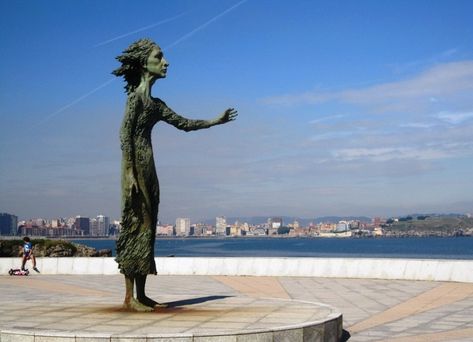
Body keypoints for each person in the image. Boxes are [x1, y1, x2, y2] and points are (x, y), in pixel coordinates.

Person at [112, 38, 237, 312]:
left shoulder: (155, 105)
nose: (165, 62)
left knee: (148, 228)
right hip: (134, 170)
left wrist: (216, 120)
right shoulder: (135, 100)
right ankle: (129, 297)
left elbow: (185, 124)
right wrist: (130, 173)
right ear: (145, 63)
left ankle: (142, 294)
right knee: (134, 225)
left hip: (149, 169)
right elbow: (124, 137)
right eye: (159, 57)